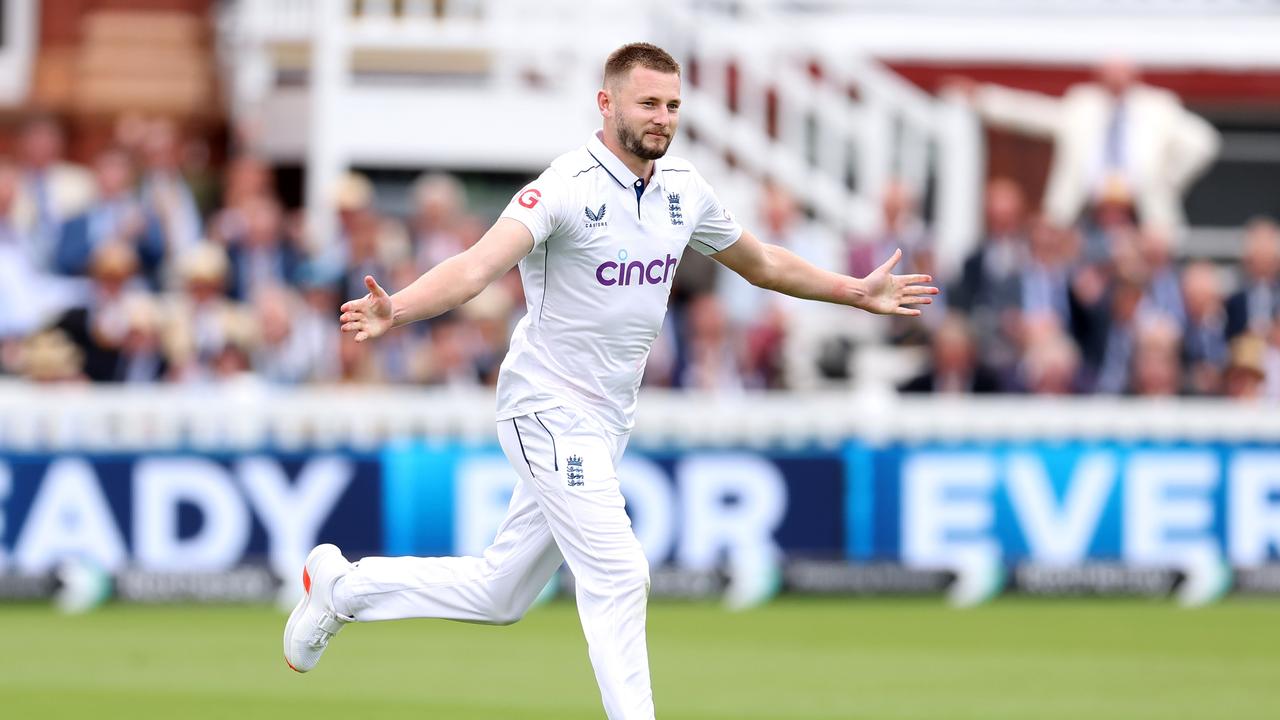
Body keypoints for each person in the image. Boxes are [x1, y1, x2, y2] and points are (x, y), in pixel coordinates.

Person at [282, 43, 936, 719]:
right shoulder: (565, 186)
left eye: (673, 105)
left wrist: (853, 291)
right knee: (621, 574)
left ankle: (343, 588)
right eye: (648, 103)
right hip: (545, 405)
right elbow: (478, 267)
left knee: (500, 594)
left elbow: (762, 263)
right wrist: (401, 308)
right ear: (607, 103)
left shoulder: (684, 189)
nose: (662, 118)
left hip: (605, 421)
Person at [958, 57, 1220, 235]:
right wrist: (982, 98)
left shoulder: (1157, 106)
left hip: (1141, 216)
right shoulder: (1083, 105)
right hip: (1085, 215)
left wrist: (1161, 181)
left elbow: (1203, 142)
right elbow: (1034, 114)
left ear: (1134, 76)